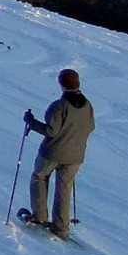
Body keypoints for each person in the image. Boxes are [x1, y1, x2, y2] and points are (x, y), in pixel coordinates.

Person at [24, 68, 94, 239]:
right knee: (64, 189)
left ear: (62, 85)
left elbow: (51, 131)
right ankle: (61, 227)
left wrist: (31, 122)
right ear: (78, 83)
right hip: (75, 156)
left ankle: (40, 217)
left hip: (52, 152)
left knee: (39, 177)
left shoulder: (59, 106)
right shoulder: (87, 105)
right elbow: (91, 127)